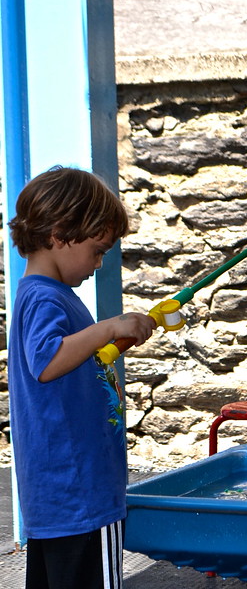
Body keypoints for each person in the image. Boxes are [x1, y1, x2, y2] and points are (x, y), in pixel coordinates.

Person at [7, 166, 156, 589]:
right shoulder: (44, 297)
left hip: (60, 495)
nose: (99, 262)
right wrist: (108, 327)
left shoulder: (45, 297)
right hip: (80, 494)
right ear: (58, 233)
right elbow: (48, 361)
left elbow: (71, 363)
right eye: (97, 249)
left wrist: (118, 339)